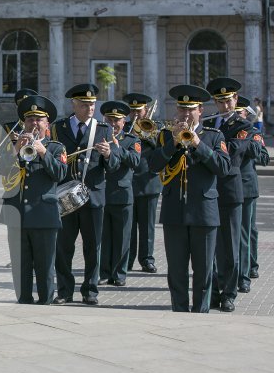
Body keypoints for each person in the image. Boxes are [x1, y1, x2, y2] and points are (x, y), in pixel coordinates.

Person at [148, 84, 230, 313]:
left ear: (200, 110)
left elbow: (223, 167)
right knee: (176, 270)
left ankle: (201, 313)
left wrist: (197, 144)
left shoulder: (213, 136)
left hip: (204, 211)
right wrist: (173, 143)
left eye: (190, 109)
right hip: (175, 210)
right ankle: (179, 310)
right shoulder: (166, 135)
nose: (185, 114)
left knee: (203, 271)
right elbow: (153, 165)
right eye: (181, 109)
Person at [0, 95, 67, 304]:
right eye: (30, 120)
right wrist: (16, 148)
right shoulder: (13, 145)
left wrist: (44, 153)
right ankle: (23, 299)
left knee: (45, 265)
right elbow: (0, 169)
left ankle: (45, 300)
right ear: (24, 123)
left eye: (39, 119)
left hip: (44, 214)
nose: (34, 124)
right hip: (16, 213)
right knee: (20, 264)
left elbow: (61, 174)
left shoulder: (55, 147)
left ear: (47, 124)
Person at [51, 83, 117, 305]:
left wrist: (109, 156)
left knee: (92, 247)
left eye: (92, 104)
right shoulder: (59, 128)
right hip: (65, 196)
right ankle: (64, 290)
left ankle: (90, 290)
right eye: (84, 104)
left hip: (93, 198)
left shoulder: (104, 129)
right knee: (64, 247)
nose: (90, 108)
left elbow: (114, 166)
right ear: (74, 104)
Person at [204, 78, 261, 312]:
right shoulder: (209, 125)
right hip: (208, 191)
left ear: (235, 100)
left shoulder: (244, 126)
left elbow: (232, 156)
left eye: (228, 100)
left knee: (230, 246)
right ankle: (214, 292)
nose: (224, 105)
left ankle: (229, 293)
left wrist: (206, 146)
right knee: (211, 247)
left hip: (229, 190)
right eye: (220, 101)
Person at [98, 101, 140, 287]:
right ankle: (104, 272)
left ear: (124, 121)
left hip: (122, 195)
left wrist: (116, 148)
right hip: (101, 194)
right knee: (104, 237)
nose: (112, 124)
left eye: (116, 120)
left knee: (122, 237)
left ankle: (120, 274)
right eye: (109, 119)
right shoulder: (98, 138)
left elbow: (135, 161)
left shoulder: (132, 140)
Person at [0, 88, 38, 278]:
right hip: (15, 184)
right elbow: (1, 157)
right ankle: (16, 259)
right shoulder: (9, 128)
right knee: (15, 230)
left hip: (35, 186)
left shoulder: (43, 126)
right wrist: (15, 144)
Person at [123, 93, 161, 274]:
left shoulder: (156, 127)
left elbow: (161, 148)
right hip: (129, 182)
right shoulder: (125, 128)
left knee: (147, 226)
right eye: (132, 111)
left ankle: (147, 260)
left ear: (146, 110)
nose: (135, 115)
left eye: (139, 111)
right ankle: (127, 260)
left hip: (149, 181)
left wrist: (147, 134)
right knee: (129, 225)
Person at [236, 97, 269, 292]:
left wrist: (249, 143)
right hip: (226, 187)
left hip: (247, 188)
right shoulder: (223, 132)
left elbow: (264, 158)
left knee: (247, 231)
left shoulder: (253, 132)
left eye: (240, 113)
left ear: (245, 115)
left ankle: (247, 270)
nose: (236, 116)